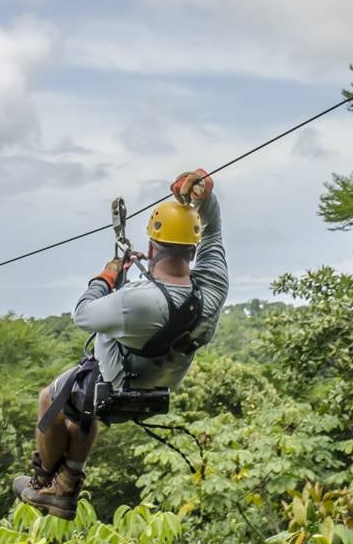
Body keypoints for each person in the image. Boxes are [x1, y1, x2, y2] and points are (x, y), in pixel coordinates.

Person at [12, 168, 229, 519]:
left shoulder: (136, 302)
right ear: (193, 248)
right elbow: (214, 232)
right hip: (162, 381)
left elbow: (83, 314)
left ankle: (43, 485)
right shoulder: (212, 288)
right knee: (81, 410)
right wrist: (205, 199)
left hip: (120, 379)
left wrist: (107, 276)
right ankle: (66, 485)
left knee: (49, 398)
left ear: (151, 246)